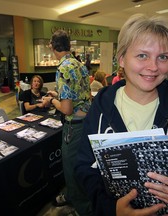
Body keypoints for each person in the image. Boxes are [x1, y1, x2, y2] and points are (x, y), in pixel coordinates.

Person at [75, 13, 168, 216]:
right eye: (142, 55)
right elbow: (84, 168)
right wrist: (112, 209)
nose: (153, 67)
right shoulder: (100, 109)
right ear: (122, 59)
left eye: (163, 57)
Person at [42, 30, 93, 216]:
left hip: (74, 127)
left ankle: (81, 210)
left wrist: (51, 101)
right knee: (81, 166)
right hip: (86, 123)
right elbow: (80, 95)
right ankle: (73, 197)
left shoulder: (63, 68)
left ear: (52, 46)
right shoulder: (79, 65)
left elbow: (66, 110)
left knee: (71, 171)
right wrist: (60, 96)